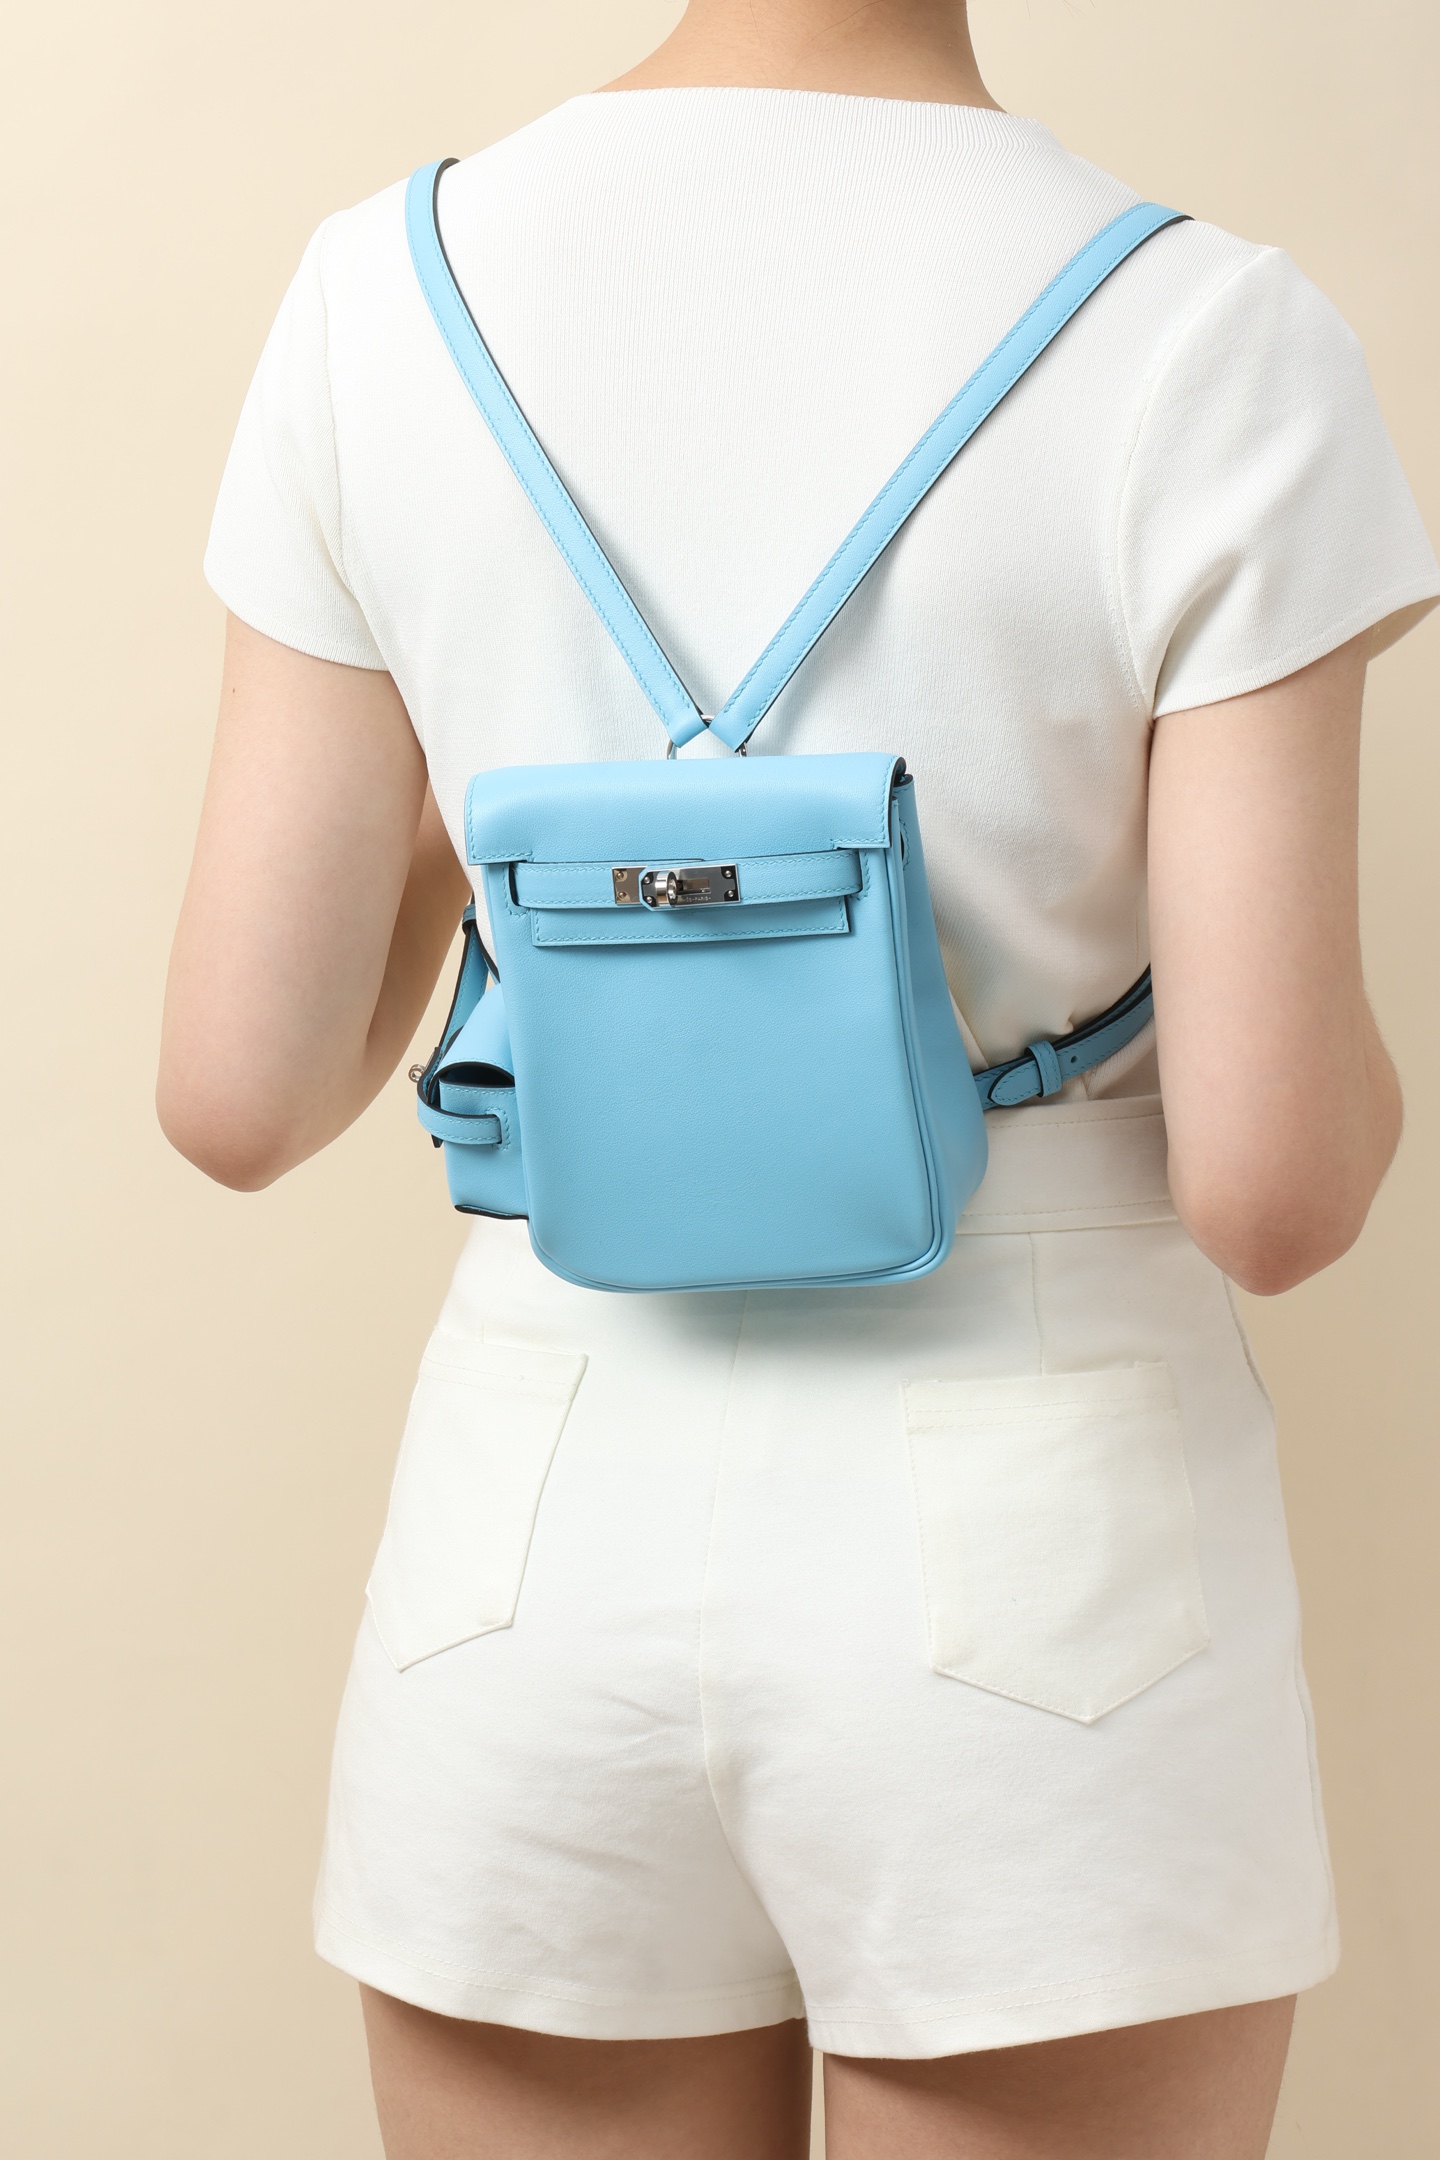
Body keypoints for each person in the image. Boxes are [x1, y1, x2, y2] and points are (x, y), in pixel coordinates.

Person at [157, 2, 1439, 2153]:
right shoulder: (1213, 335)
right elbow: (1278, 1185)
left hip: (532, 1521)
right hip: (1045, 1552)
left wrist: (523, 821)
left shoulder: (380, 299)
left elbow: (238, 1091)